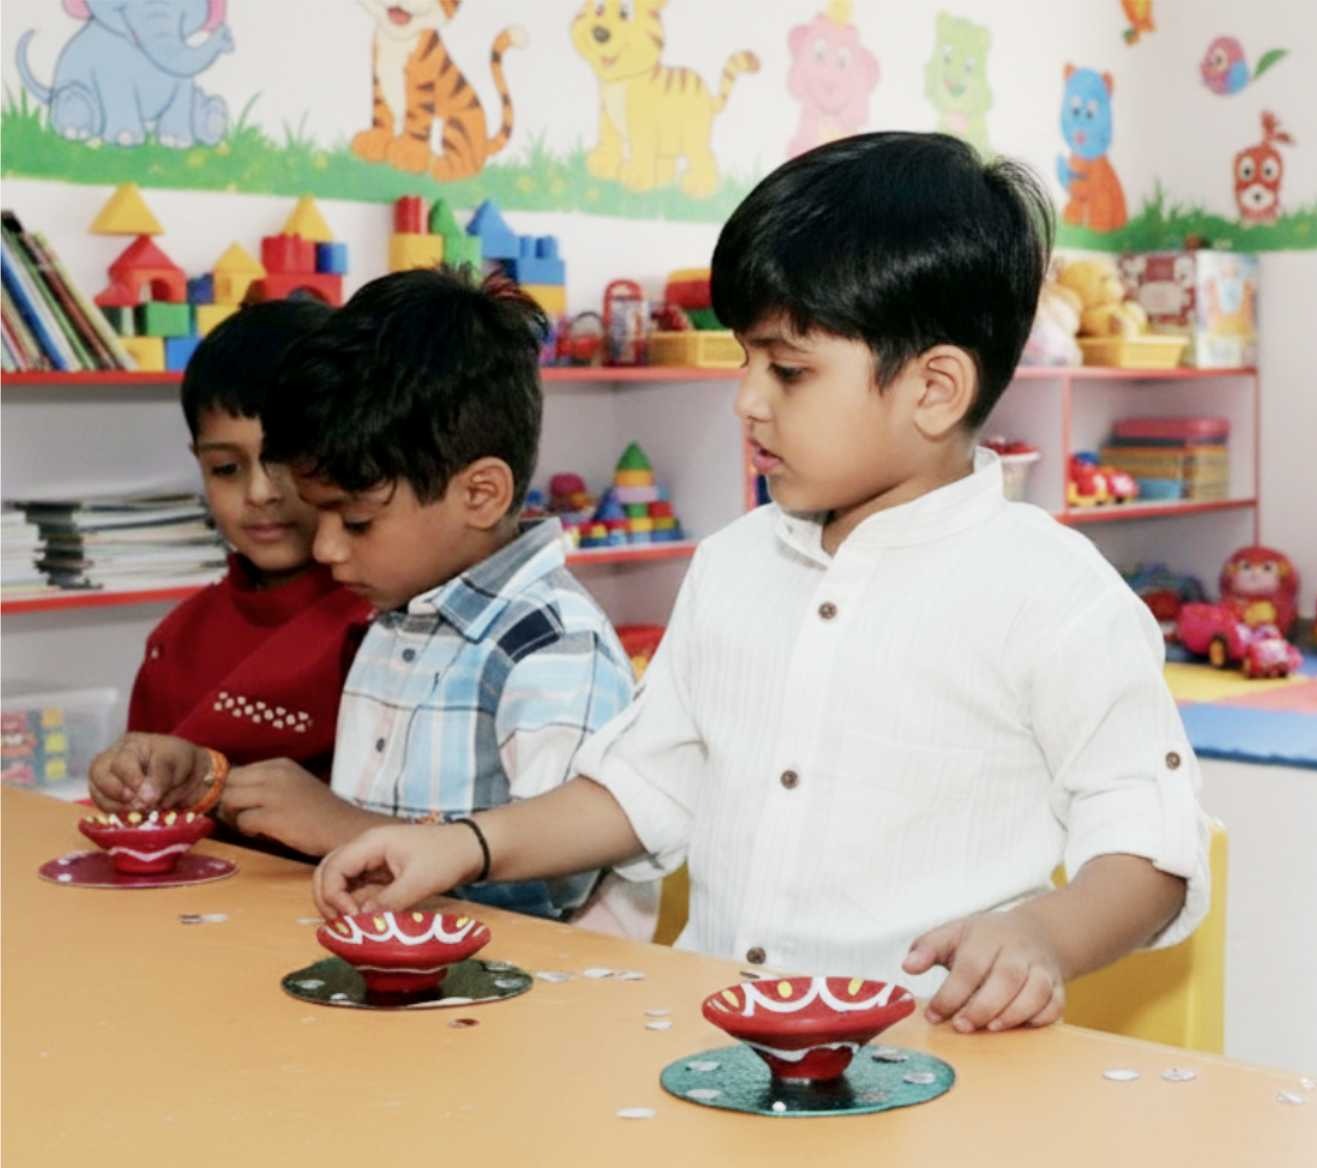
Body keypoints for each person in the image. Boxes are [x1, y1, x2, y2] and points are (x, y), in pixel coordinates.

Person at [313, 133, 1211, 1031]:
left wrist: (1044, 936)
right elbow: (642, 789)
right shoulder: (733, 564)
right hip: (717, 1047)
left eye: (787, 370)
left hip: (930, 1061)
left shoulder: (1055, 596)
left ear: (934, 389)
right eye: (744, 361)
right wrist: (463, 846)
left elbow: (1150, 847)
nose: (746, 399)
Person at [234, 267, 635, 919]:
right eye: (318, 515)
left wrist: (342, 828)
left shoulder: (554, 649)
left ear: (480, 494)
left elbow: (562, 883)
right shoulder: (400, 611)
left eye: (355, 521)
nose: (326, 549)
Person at [88, 301, 371, 817]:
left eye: (287, 460)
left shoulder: (385, 621)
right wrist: (124, 781)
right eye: (225, 468)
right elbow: (145, 820)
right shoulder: (176, 639)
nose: (260, 492)